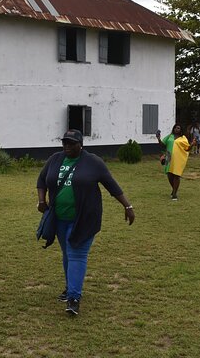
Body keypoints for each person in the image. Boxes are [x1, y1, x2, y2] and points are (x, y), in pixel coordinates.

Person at [37, 129, 134, 316]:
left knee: (76, 254)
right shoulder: (55, 159)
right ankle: (69, 287)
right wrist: (42, 201)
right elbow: (42, 180)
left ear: (80, 144)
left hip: (84, 218)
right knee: (67, 253)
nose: (67, 146)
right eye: (65, 142)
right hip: (59, 218)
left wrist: (128, 207)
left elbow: (111, 185)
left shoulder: (93, 162)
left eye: (71, 143)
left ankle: (74, 297)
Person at [156, 124, 195, 200]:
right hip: (169, 157)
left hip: (178, 159)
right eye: (175, 128)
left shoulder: (183, 138)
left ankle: (174, 194)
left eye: (178, 128)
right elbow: (163, 145)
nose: (177, 129)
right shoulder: (169, 136)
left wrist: (192, 145)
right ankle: (174, 190)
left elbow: (187, 148)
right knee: (169, 174)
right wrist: (159, 139)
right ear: (173, 129)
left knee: (176, 175)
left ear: (181, 130)